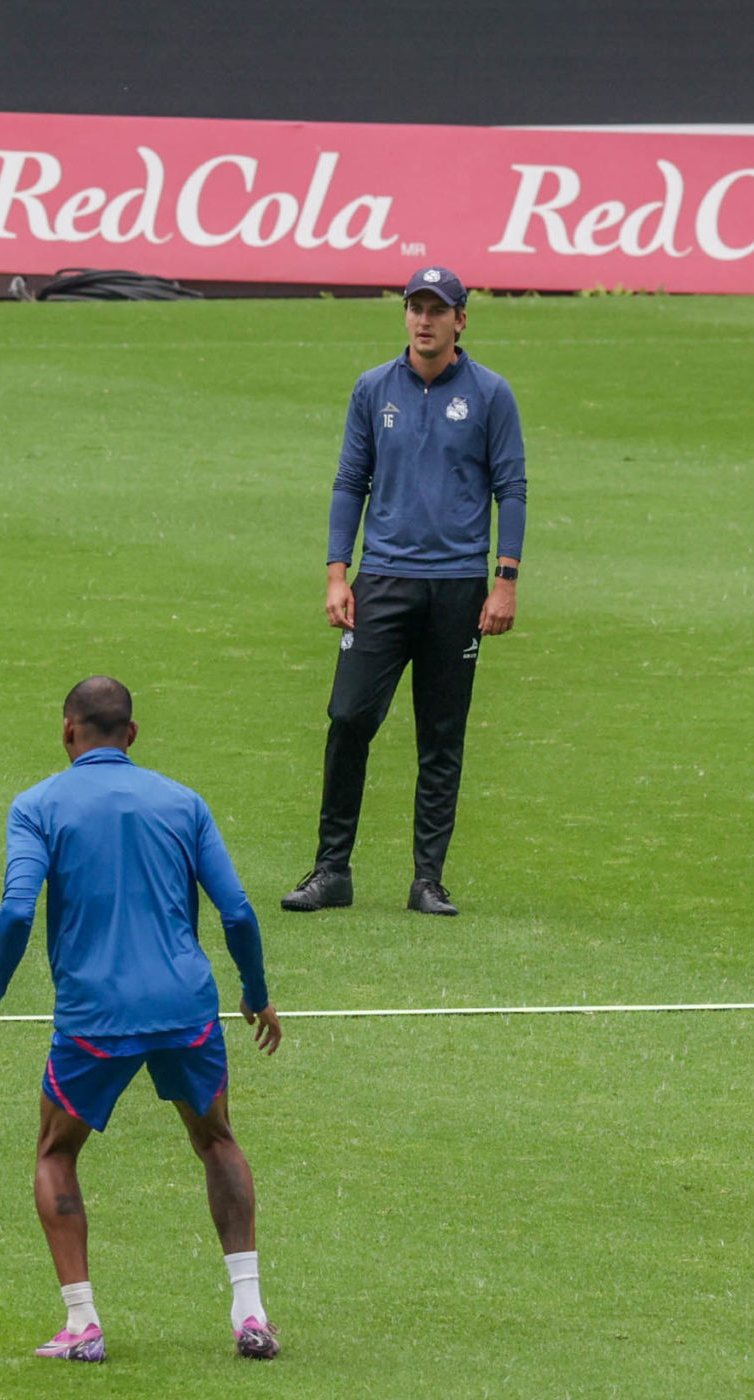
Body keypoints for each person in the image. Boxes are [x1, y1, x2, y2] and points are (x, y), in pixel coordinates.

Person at [0, 677, 283, 1364]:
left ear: (67, 731)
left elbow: (17, 911)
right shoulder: (183, 802)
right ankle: (250, 1312)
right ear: (131, 734)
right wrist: (255, 992)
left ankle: (83, 1323)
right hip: (185, 1007)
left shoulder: (37, 805)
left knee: (56, 1150)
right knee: (217, 1140)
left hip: (94, 1017)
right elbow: (237, 912)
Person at [284, 267, 526, 919]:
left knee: (441, 735)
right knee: (348, 717)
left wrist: (505, 580)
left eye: (436, 310)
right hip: (383, 580)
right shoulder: (373, 389)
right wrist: (338, 572)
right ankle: (332, 869)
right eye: (415, 308)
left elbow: (512, 488)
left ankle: (428, 881)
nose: (424, 320)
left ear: (461, 319)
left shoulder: (490, 394)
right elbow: (348, 481)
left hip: (457, 589)